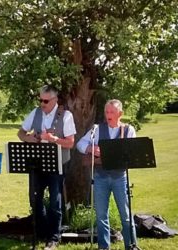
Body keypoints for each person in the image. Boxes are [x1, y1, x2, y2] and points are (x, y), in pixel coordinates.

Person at [17, 85, 76, 250]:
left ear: (55, 100)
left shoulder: (66, 115)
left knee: (55, 202)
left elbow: (70, 143)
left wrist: (53, 139)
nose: (42, 104)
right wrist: (30, 139)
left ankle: (54, 237)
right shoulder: (35, 113)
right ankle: (41, 233)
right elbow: (20, 133)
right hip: (37, 163)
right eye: (40, 100)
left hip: (58, 164)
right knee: (34, 198)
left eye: (45, 101)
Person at [76, 99, 138, 250]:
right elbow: (80, 144)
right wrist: (91, 148)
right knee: (101, 216)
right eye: (106, 112)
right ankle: (104, 247)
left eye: (112, 112)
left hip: (120, 178)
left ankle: (131, 246)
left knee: (126, 215)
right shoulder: (97, 129)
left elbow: (133, 151)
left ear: (120, 114)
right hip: (100, 177)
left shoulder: (128, 130)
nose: (108, 115)